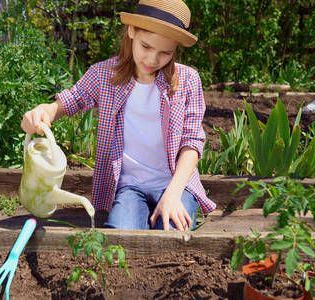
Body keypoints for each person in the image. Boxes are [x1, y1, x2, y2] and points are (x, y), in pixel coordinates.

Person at [20, 0, 216, 231]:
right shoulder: (103, 75)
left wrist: (173, 194)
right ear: (131, 32)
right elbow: (70, 100)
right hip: (130, 187)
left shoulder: (188, 80)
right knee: (120, 237)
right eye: (145, 47)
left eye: (165, 53)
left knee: (172, 233)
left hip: (176, 184)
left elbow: (191, 142)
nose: (152, 60)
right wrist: (45, 112)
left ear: (176, 49)